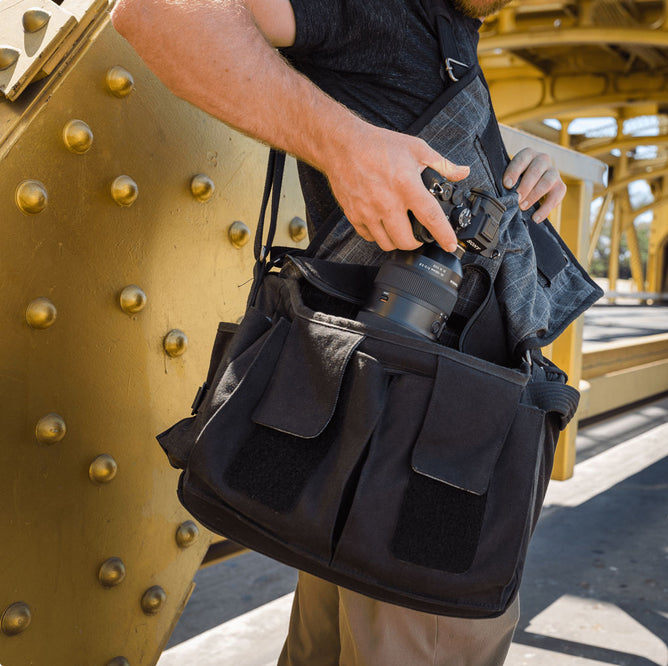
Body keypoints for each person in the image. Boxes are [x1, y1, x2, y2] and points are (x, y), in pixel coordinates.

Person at [111, 0, 602, 663]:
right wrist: (341, 145)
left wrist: (508, 171)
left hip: (384, 440)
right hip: (422, 459)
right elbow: (155, 11)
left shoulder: (453, 31)